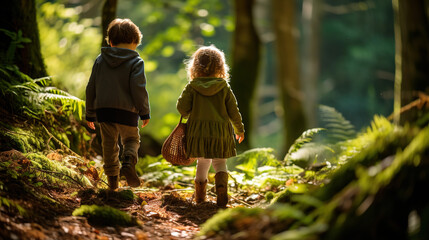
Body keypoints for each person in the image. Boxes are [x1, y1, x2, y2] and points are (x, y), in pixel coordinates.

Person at [85, 18, 150, 190]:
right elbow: (139, 89)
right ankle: (128, 161)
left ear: (111, 42)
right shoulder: (136, 62)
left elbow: (91, 87)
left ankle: (113, 183)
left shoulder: (100, 60)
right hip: (127, 111)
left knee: (109, 145)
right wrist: (144, 112)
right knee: (131, 139)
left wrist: (89, 112)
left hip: (104, 111)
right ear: (135, 42)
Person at [176, 45, 245, 207]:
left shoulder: (192, 87)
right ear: (220, 67)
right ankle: (221, 186)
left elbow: (182, 108)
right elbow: (234, 111)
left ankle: (200, 197)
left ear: (194, 66)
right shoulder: (224, 87)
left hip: (198, 132)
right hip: (220, 131)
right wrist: (239, 129)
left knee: (202, 162)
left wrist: (191, 109)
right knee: (220, 163)